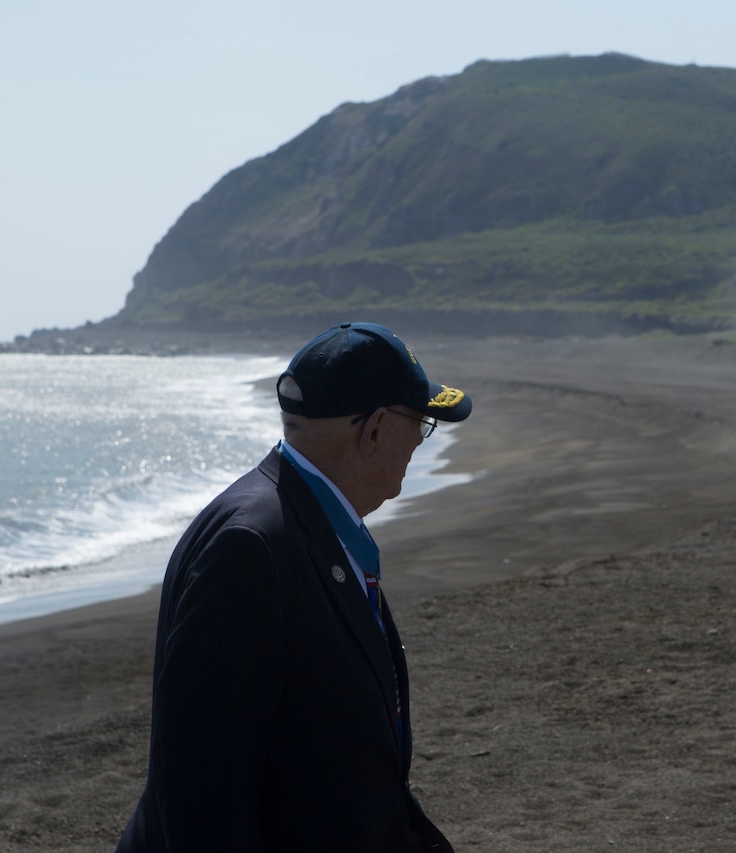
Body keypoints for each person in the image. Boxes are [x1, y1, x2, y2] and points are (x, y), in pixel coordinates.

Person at [115, 322, 470, 852]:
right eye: (419, 424)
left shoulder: (306, 522)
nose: (419, 442)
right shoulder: (250, 548)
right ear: (374, 431)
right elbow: (199, 797)